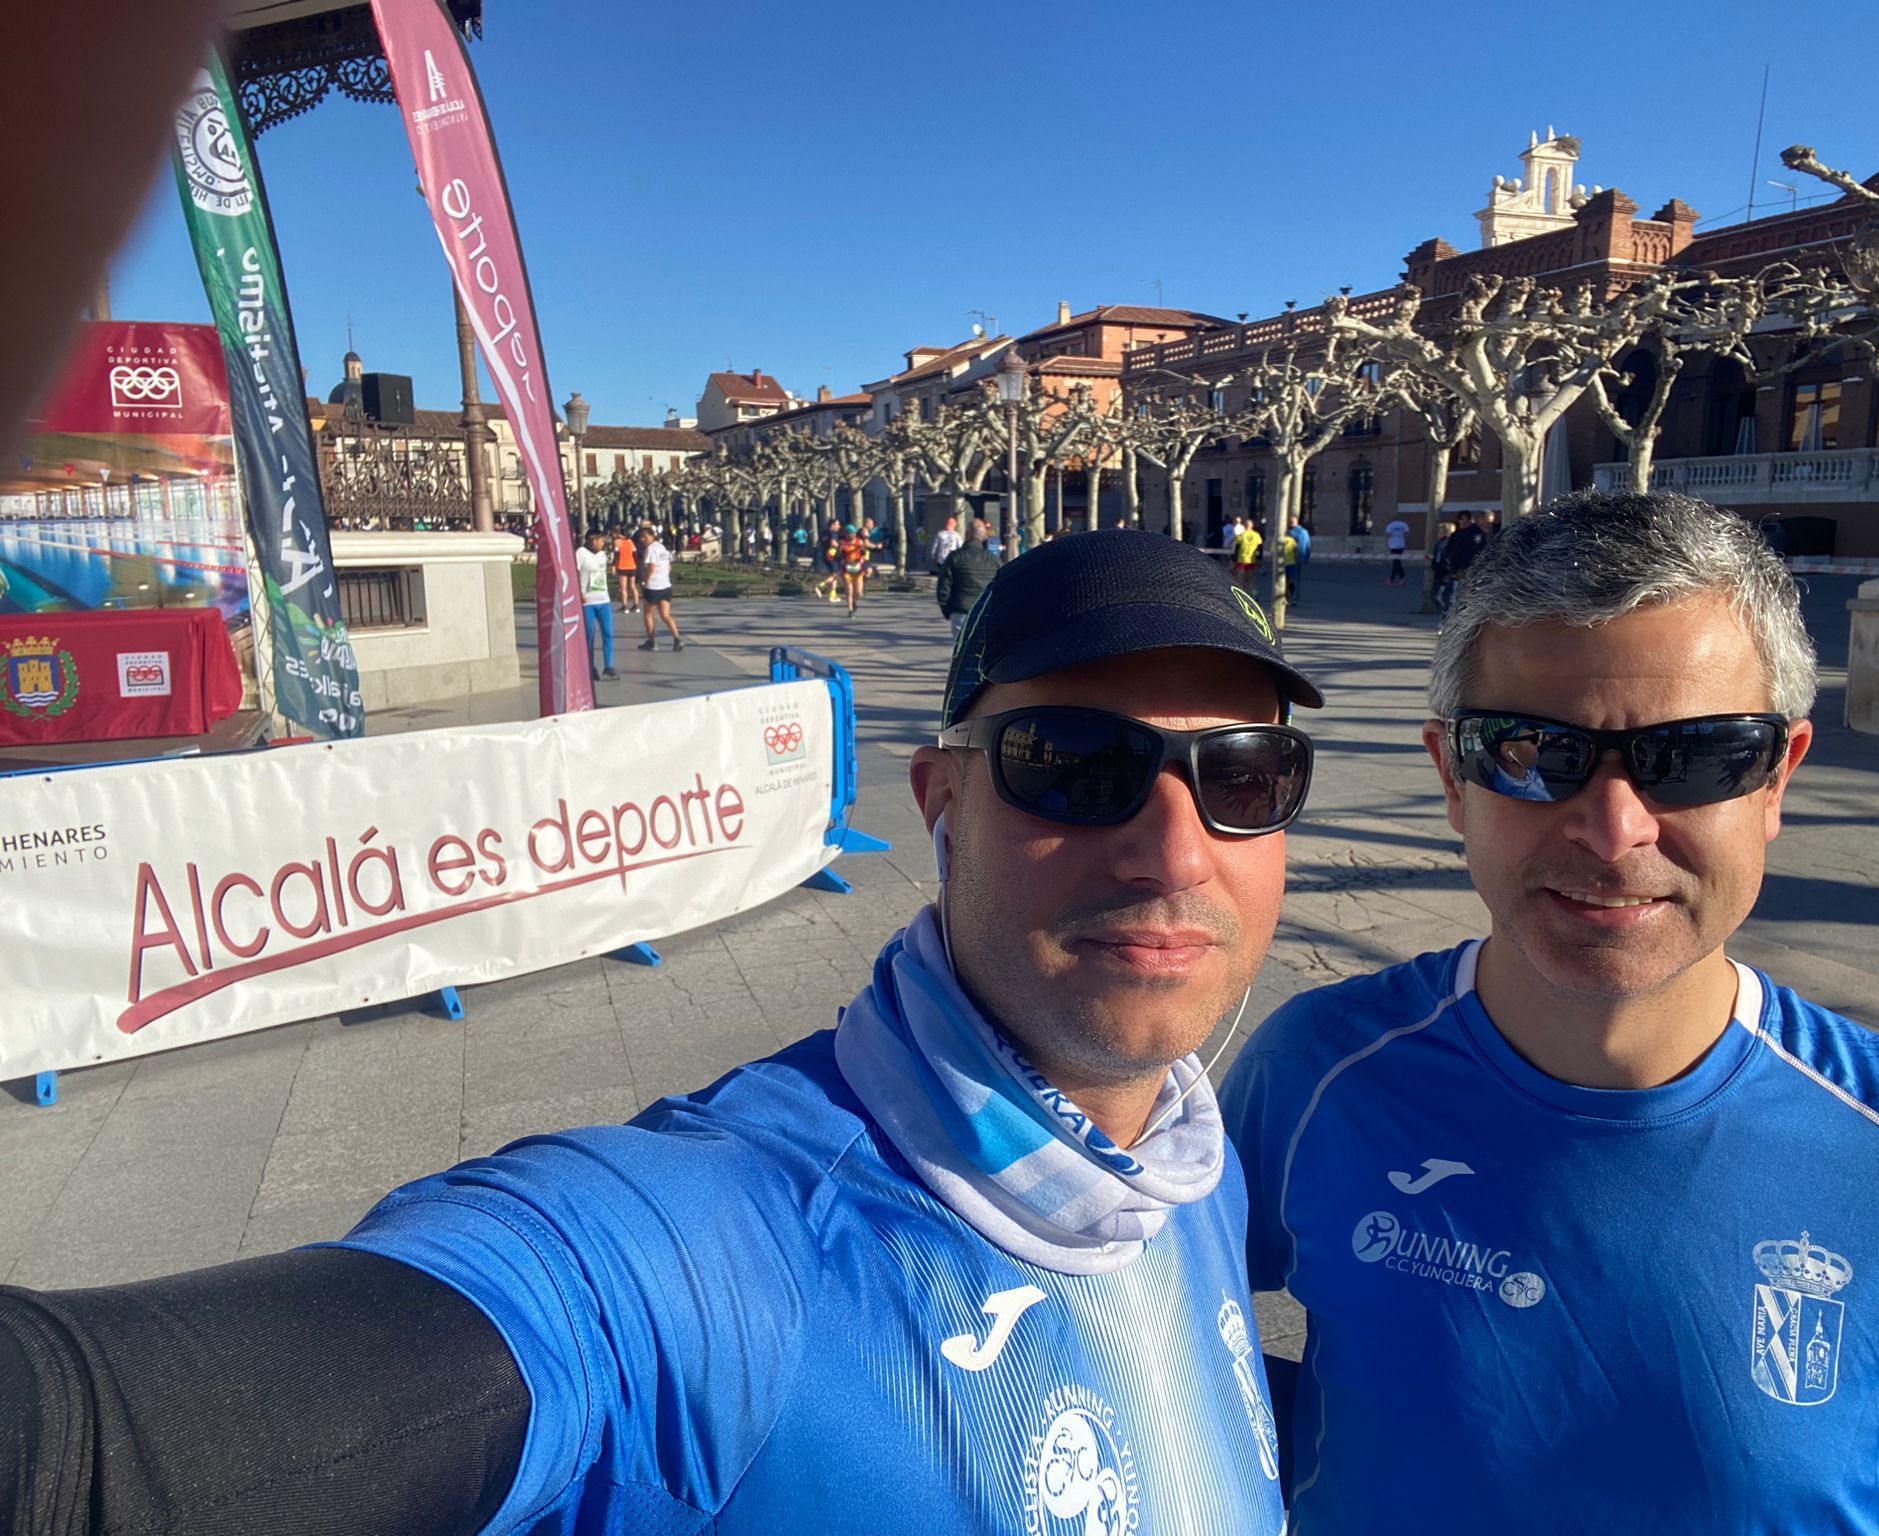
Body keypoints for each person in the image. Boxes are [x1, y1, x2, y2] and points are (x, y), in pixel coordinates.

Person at [2, 532, 1322, 1535]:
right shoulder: (723, 1250)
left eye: (1244, 776)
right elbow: (106, 1439)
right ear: (941, 802)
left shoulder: (1185, 1154)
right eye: (1074, 765)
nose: (1172, 853)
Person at [1220, 490, 1879, 1535]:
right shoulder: (1312, 1074)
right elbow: (1146, 1328)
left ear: (1776, 779)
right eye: (1532, 752)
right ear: (1451, 778)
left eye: (1695, 757)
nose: (1613, 831)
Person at [934, 516, 998, 643]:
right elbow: (999, 585)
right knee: (983, 648)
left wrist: (947, 609)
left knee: (962, 648)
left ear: (967, 535)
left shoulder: (955, 557)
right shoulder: (993, 560)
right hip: (986, 611)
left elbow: (943, 586)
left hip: (961, 610)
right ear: (984, 536)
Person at [576, 528, 617, 681]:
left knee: (608, 633)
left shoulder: (602, 555)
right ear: (592, 540)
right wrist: (579, 594)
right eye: (600, 540)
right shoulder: (580, 553)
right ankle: (590, 666)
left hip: (603, 600)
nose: (603, 543)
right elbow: (574, 574)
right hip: (587, 601)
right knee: (589, 636)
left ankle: (609, 666)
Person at [635, 523, 683, 653]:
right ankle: (677, 638)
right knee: (665, 615)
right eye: (641, 538)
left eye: (645, 537)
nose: (643, 540)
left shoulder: (650, 549)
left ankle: (651, 642)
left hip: (653, 587)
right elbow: (669, 566)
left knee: (648, 614)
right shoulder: (662, 548)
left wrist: (645, 581)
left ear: (652, 536)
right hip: (665, 586)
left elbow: (651, 567)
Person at [1436, 508, 1485, 614]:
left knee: (1465, 597)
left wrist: (1468, 567)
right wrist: (1451, 566)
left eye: (1463, 519)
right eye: (1460, 519)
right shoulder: (1457, 534)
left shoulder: (1475, 533)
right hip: (1455, 570)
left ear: (1469, 520)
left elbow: (1478, 551)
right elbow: (1450, 550)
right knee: (1450, 597)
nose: (1461, 522)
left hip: (1469, 570)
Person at [839, 520, 869, 616]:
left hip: (858, 569)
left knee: (858, 592)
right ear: (847, 534)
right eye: (851, 533)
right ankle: (850, 610)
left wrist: (862, 558)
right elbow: (838, 555)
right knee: (849, 591)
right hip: (846, 569)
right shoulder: (843, 543)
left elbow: (864, 553)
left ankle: (853, 601)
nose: (853, 535)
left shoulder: (859, 542)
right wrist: (841, 558)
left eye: (854, 533)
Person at [1231, 517, 1263, 594]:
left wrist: (1234, 559)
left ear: (1245, 526)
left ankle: (1242, 594)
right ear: (1252, 526)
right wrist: (1260, 559)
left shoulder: (1241, 535)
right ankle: (1252, 594)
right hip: (1251, 560)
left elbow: (1237, 548)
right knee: (1250, 579)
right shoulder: (1256, 535)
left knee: (1240, 579)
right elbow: (1260, 548)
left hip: (1241, 559)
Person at [813, 520, 843, 602]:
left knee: (834, 575)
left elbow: (819, 543)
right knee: (835, 575)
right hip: (832, 555)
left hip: (825, 555)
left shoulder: (824, 533)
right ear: (832, 525)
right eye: (837, 524)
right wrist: (840, 546)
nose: (839, 526)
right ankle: (820, 586)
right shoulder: (833, 533)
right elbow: (833, 543)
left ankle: (833, 595)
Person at [613, 527, 640, 612]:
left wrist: (614, 566)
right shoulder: (630, 542)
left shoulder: (617, 542)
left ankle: (624, 606)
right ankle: (636, 605)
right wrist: (636, 564)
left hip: (622, 566)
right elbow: (635, 554)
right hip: (632, 566)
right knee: (633, 586)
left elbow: (616, 555)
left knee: (623, 587)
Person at [1382, 513, 1410, 585]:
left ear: (1392, 519)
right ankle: (1399, 578)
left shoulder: (1390, 525)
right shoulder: (1404, 524)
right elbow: (1407, 534)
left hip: (1393, 545)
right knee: (1397, 561)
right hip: (1401, 545)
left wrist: (1391, 538)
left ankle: (1395, 579)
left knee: (1396, 562)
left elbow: (1387, 535)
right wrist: (1400, 536)